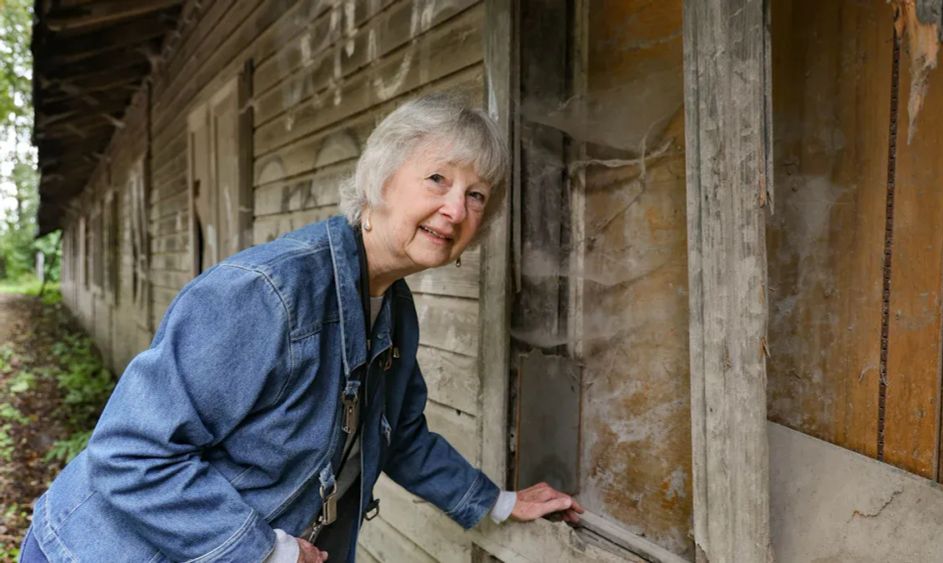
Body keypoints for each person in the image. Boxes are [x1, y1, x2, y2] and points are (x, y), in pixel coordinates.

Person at [20, 94, 583, 563]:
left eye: (476, 195)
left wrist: (498, 503)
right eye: (437, 179)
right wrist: (263, 550)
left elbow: (398, 435)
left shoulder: (392, 304)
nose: (456, 210)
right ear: (381, 181)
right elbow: (130, 453)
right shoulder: (267, 293)